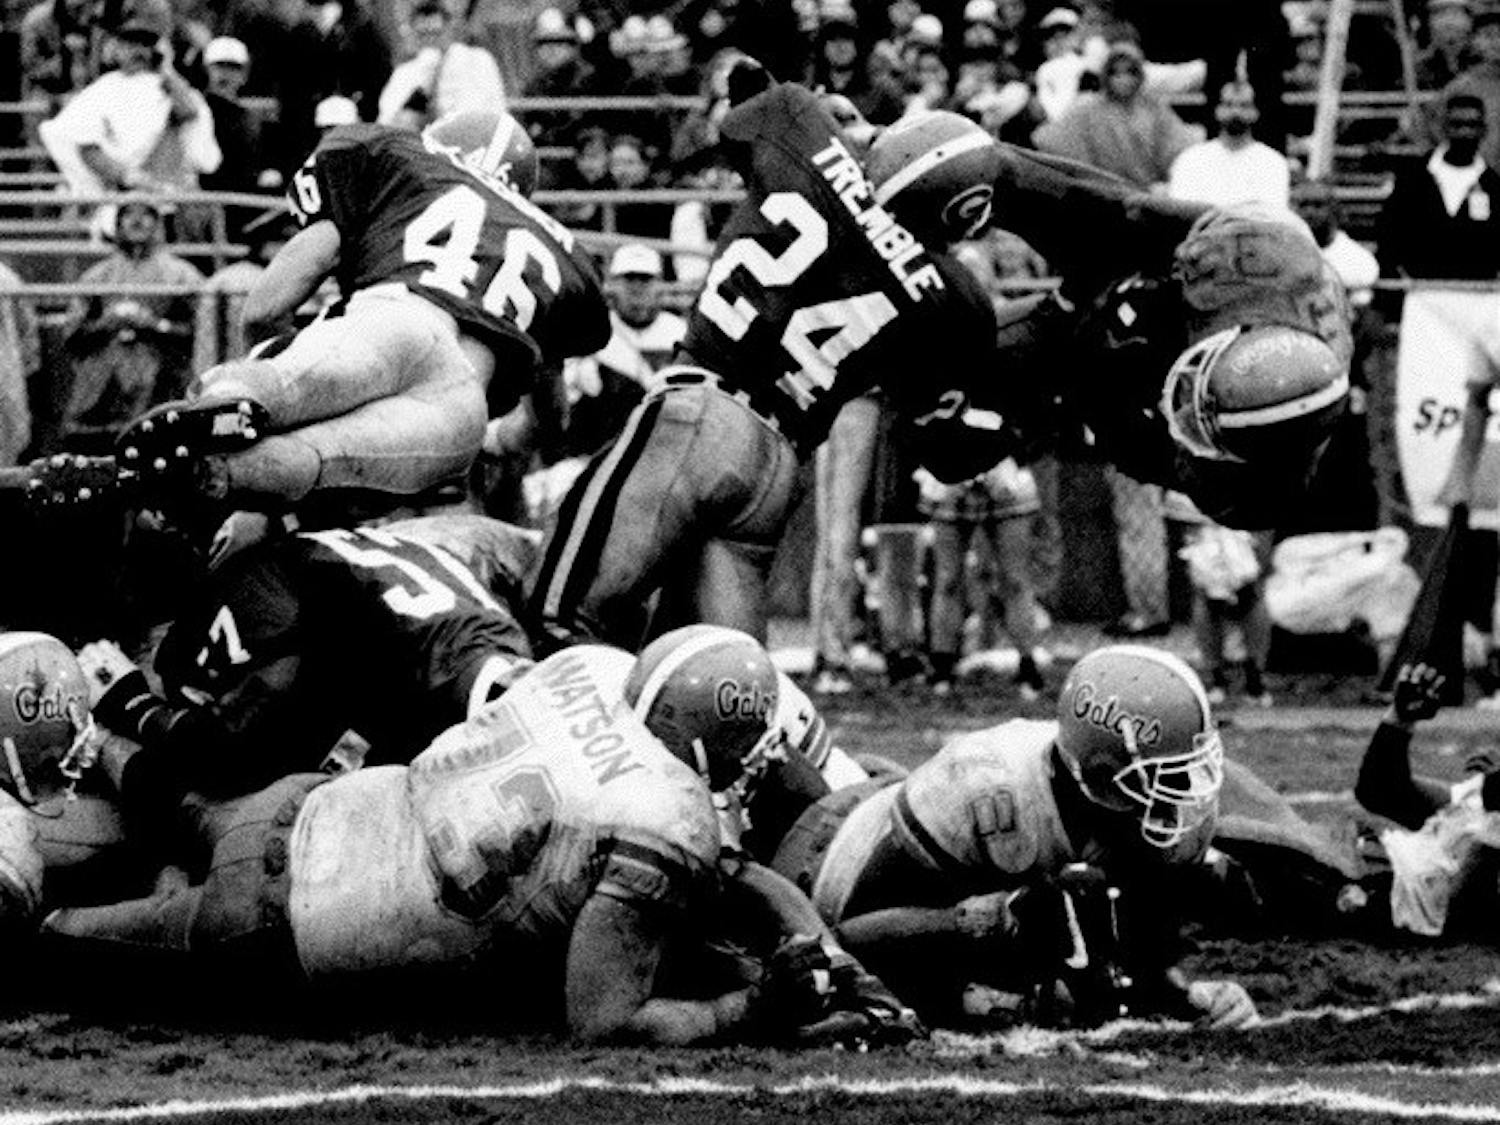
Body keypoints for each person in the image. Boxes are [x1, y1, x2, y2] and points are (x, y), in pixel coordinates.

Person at [46, 629, 915, 1046]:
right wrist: (749, 1010)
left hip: (308, 806)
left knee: (192, 811)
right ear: (707, 742)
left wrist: (836, 958)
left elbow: (731, 877)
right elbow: (603, 1019)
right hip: (285, 922)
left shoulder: (594, 667)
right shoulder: (669, 819)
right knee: (59, 950)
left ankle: (83, 738)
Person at [529, 75, 1010, 653]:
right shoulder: (955, 297)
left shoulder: (802, 129)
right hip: (778, 467)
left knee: (559, 616)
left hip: (703, 414)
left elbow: (734, 121)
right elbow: (937, 437)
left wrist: (807, 111)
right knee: (718, 680)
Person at [108, 111, 610, 519]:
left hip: (393, 320)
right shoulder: (563, 254)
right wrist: (493, 439)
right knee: (315, 458)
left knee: (274, 388)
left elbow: (263, 308)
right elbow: (549, 420)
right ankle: (231, 473)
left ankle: (211, 413)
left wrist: (270, 359)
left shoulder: (399, 161)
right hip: (461, 408)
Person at [767, 642, 1259, 1029]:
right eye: (1164, 775)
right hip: (824, 851)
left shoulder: (1140, 816)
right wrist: (999, 920)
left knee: (1100, 908)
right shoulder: (981, 788)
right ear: (1103, 774)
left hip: (941, 879)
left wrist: (1185, 994)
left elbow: (1127, 952)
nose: (1184, 793)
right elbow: (851, 936)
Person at [72, 514, 535, 854]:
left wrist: (132, 704)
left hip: (465, 701)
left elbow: (231, 748)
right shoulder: (329, 554)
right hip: (503, 664)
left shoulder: (251, 586)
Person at [1033, 38, 1203, 639]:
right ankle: (1145, 604)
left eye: (1136, 68)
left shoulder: (1157, 121)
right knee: (1132, 504)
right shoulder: (1088, 120)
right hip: (1121, 388)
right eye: (1118, 69)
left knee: (1144, 502)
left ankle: (1152, 608)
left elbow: (1184, 152)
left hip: (1151, 399)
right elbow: (1047, 145)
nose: (1127, 78)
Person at [1354, 661, 1500, 936]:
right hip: (1354, 855)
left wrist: (1493, 826)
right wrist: (1399, 720)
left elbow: (1465, 910)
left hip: (1366, 893)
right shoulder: (1492, 788)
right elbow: (1381, 792)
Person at [37, 18, 221, 231]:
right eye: (130, 44)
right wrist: (130, 178)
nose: (137, 51)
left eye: (144, 45)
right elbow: (85, 144)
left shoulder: (168, 85)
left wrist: (166, 67)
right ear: (117, 49)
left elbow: (189, 112)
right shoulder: (103, 89)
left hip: (166, 192)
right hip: (118, 192)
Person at [915, 456, 1048, 698]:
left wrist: (1008, 457)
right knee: (948, 580)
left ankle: (1029, 667)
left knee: (1015, 579)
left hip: (1006, 475)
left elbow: (1036, 427)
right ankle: (942, 668)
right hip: (950, 475)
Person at [376, 0, 505, 132]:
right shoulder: (404, 73)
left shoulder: (477, 60)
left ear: (449, 29)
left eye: (436, 34)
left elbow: (489, 111)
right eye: (423, 35)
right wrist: (425, 80)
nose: (430, 41)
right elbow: (387, 123)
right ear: (414, 33)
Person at [1167, 80, 1291, 213]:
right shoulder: (1190, 159)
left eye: (1244, 106)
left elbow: (1272, 216)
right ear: (1217, 111)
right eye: (1228, 104)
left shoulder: (1272, 163)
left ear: (1256, 113)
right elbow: (1181, 212)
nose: (1235, 111)